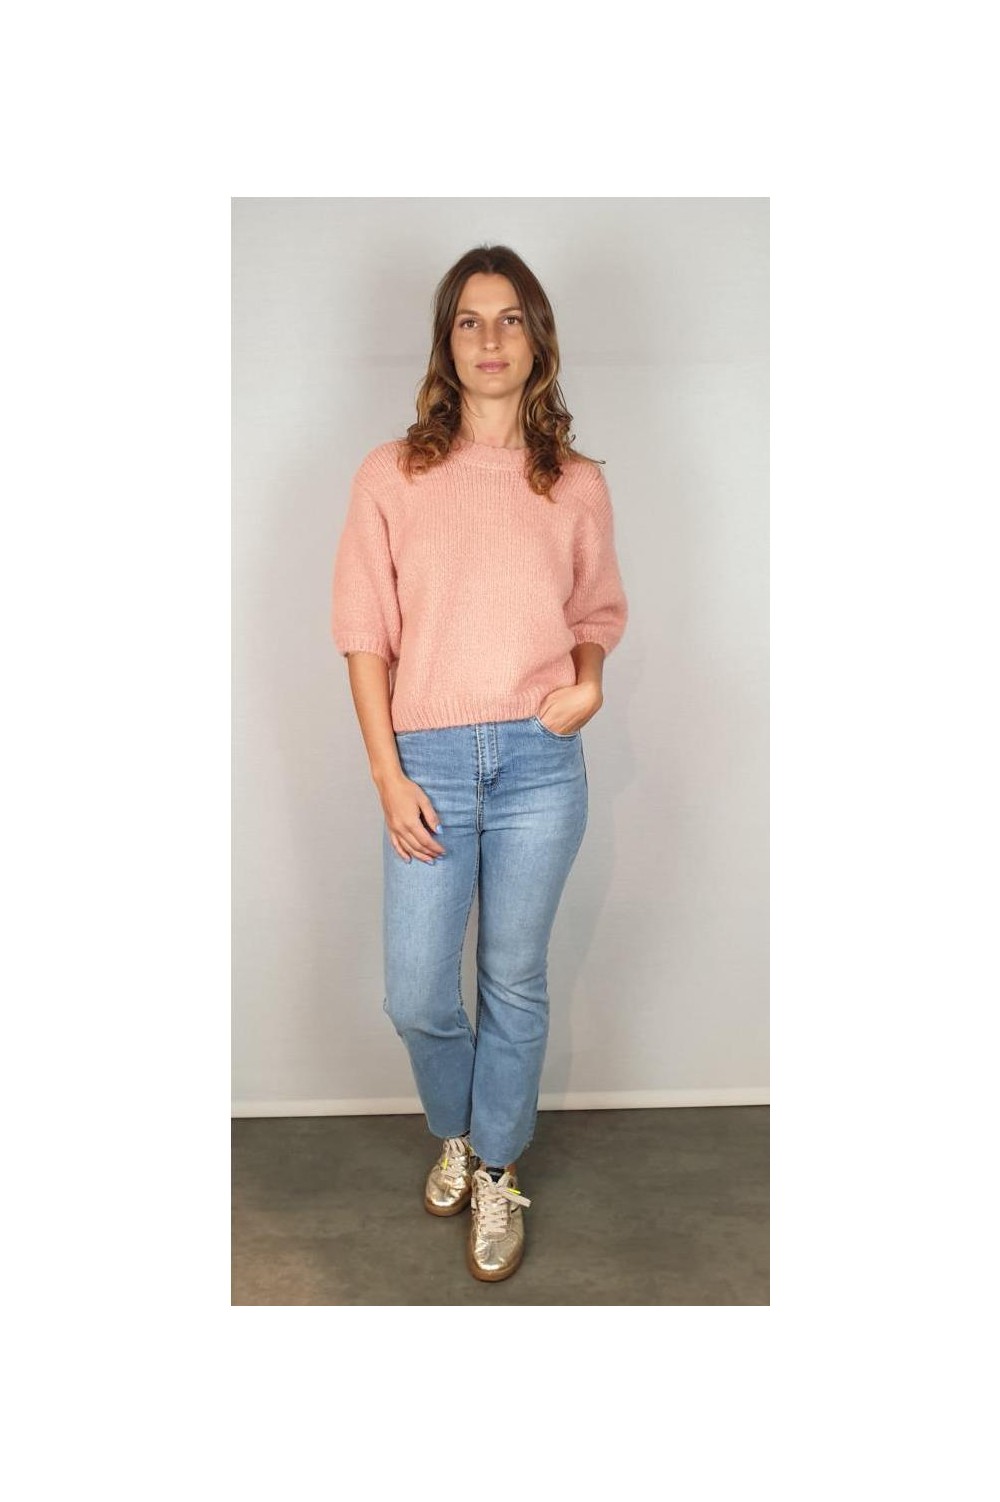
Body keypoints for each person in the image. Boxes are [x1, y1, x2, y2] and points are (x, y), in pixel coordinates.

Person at [331, 244, 628, 1282]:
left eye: (509, 319)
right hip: (429, 763)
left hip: (541, 763)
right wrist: (388, 774)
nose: (489, 339)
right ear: (445, 341)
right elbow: (364, 634)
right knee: (417, 992)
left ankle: (495, 1166)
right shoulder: (392, 474)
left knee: (513, 979)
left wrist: (588, 683)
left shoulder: (574, 482)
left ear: (536, 340)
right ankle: (458, 1129)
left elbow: (595, 613)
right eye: (469, 320)